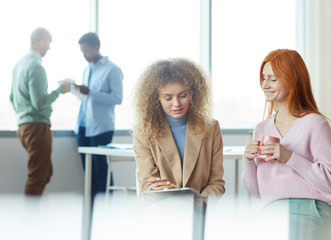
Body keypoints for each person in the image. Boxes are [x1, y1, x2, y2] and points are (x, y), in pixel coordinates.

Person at [241, 49, 331, 240]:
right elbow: (257, 192)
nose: (265, 85)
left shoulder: (315, 124)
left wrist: (288, 156)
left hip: (311, 209)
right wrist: (247, 161)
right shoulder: (261, 128)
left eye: (273, 79)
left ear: (292, 80)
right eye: (263, 78)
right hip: (272, 211)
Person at [132, 58, 225, 201]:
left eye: (183, 96)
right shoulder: (143, 131)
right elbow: (146, 184)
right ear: (156, 99)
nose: (176, 104)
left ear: (193, 94)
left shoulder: (211, 128)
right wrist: (157, 189)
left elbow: (216, 183)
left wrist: (198, 204)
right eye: (167, 98)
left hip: (200, 211)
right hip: (160, 210)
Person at [10, 27, 69, 195]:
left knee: (45, 173)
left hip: (23, 127)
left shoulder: (19, 65)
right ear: (41, 42)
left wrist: (23, 116)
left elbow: (11, 97)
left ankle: (33, 214)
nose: (49, 48)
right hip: (37, 127)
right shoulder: (36, 67)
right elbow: (39, 102)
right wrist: (59, 90)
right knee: (37, 177)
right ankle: (30, 219)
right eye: (49, 44)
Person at [75, 32, 123, 201]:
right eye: (82, 52)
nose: (84, 56)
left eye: (86, 51)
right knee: (88, 172)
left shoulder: (112, 69)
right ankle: (92, 209)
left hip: (101, 128)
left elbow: (117, 98)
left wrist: (91, 93)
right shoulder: (87, 69)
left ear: (96, 47)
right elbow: (87, 98)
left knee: (101, 170)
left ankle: (105, 209)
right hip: (83, 127)